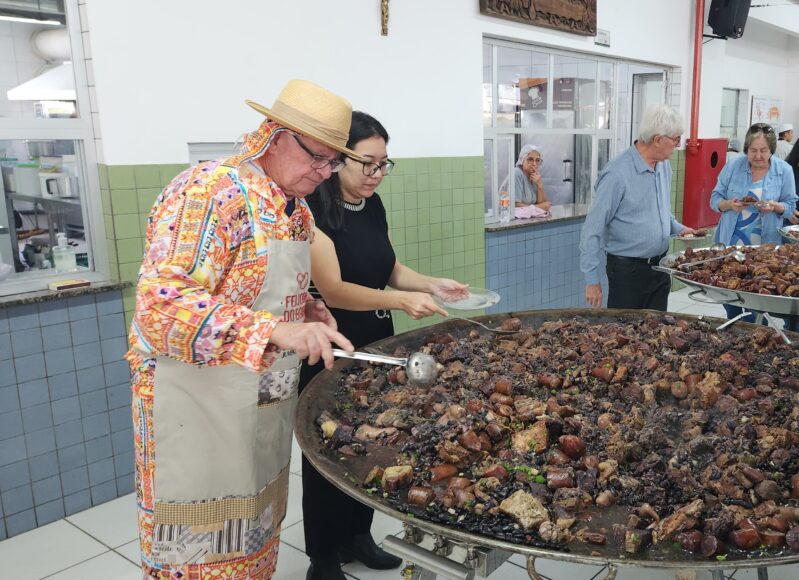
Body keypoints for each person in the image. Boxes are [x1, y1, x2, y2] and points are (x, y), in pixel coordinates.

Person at [127, 80, 359, 578]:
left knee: (253, 543)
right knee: (197, 556)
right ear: (274, 136)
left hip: (260, 409)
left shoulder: (294, 211)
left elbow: (262, 292)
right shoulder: (211, 191)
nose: (323, 174)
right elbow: (160, 304)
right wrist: (275, 330)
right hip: (195, 406)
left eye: (332, 163)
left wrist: (307, 312)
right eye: (317, 157)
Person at [299, 112, 469, 579]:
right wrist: (401, 299)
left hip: (379, 341)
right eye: (367, 164)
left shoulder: (371, 205)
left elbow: (390, 267)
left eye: (384, 164)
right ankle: (323, 556)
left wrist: (432, 285)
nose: (376, 174)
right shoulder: (311, 210)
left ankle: (358, 535)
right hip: (333, 343)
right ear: (336, 159)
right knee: (327, 449)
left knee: (375, 441)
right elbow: (333, 288)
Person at [580, 104, 696, 310]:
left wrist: (679, 229)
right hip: (628, 271)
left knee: (658, 332)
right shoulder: (617, 174)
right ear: (658, 139)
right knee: (626, 333)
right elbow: (592, 229)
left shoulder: (663, 166)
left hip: (661, 267)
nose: (678, 145)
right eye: (676, 140)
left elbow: (662, 214)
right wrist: (591, 279)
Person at [710, 123, 797, 323]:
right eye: (753, 151)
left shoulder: (784, 170)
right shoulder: (733, 166)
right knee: (730, 294)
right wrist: (730, 204)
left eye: (763, 151)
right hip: (732, 245)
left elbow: (791, 205)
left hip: (764, 247)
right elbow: (715, 200)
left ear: (772, 150)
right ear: (746, 150)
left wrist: (775, 207)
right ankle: (741, 328)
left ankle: (755, 331)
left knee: (757, 295)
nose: (758, 156)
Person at [501, 144, 551, 210]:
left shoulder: (534, 175)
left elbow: (542, 203)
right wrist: (539, 207)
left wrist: (540, 185)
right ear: (522, 159)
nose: (534, 164)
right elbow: (513, 205)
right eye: (530, 159)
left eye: (537, 160)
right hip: (507, 217)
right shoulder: (517, 174)